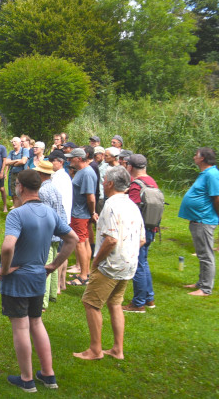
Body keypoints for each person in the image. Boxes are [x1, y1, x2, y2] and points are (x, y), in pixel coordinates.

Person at [0, 170, 78, 392]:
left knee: (21, 327)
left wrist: (5, 270)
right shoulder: (50, 213)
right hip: (38, 279)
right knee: (36, 322)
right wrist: (53, 265)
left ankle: (26, 379)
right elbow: (72, 239)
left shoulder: (17, 214)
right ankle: (48, 375)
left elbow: (7, 246)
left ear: (21, 187)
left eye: (16, 184)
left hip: (18, 279)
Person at [74, 166, 144, 361]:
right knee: (115, 303)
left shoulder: (111, 205)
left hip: (111, 265)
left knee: (91, 303)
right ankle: (117, 349)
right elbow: (142, 239)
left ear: (111, 184)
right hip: (129, 264)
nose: (102, 183)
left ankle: (95, 350)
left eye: (104, 180)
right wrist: (128, 254)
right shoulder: (132, 205)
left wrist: (96, 261)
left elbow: (111, 239)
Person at [179, 147, 219, 296]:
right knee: (202, 254)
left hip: (204, 220)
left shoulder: (212, 174)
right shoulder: (205, 173)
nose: (194, 156)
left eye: (196, 155)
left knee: (207, 255)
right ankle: (200, 283)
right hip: (198, 220)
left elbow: (217, 197)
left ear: (202, 158)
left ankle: (206, 289)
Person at [123, 154, 159, 312]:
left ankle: (138, 303)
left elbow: (132, 210)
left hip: (139, 232)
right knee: (144, 263)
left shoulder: (136, 185)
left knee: (138, 266)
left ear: (130, 167)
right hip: (152, 227)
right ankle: (149, 299)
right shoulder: (152, 181)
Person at [33, 160, 66, 310]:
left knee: (45, 267)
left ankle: (42, 302)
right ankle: (53, 293)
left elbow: (44, 216)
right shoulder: (54, 188)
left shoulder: (43, 191)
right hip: (57, 233)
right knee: (53, 263)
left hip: (48, 233)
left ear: (41, 174)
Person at [67, 148, 99, 286]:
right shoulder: (82, 171)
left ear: (79, 159)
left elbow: (91, 197)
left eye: (71, 158)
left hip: (80, 214)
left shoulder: (86, 173)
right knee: (84, 242)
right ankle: (86, 272)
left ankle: (83, 276)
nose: (69, 160)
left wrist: (92, 213)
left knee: (80, 243)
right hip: (80, 213)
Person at [49, 149, 73, 291]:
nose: (51, 163)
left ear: (60, 162)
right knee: (63, 250)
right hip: (66, 217)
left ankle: (57, 285)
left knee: (58, 252)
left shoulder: (58, 178)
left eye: (53, 161)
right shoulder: (65, 176)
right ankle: (62, 283)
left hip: (60, 217)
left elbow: (56, 200)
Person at [5, 137, 29, 208]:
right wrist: (17, 161)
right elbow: (6, 162)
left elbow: (23, 161)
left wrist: (12, 163)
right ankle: (16, 207)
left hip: (22, 175)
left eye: (15, 141)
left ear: (20, 143)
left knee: (22, 192)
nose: (13, 143)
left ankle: (22, 208)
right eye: (12, 142)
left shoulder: (24, 150)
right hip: (12, 174)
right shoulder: (11, 152)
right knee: (13, 193)